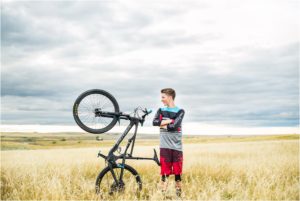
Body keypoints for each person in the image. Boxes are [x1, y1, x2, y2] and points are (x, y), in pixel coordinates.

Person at [152, 88, 185, 197]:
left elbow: (173, 127)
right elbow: (154, 122)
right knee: (164, 174)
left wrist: (163, 124)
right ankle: (162, 196)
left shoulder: (180, 111)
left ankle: (178, 196)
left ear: (170, 97)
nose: (161, 100)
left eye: (163, 97)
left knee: (177, 174)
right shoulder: (161, 110)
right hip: (164, 146)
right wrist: (171, 120)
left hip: (177, 148)